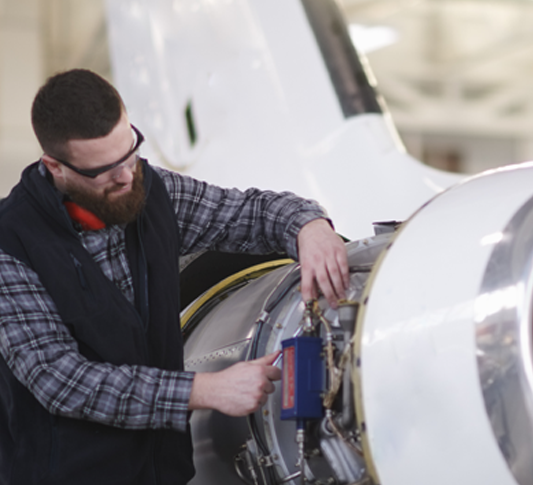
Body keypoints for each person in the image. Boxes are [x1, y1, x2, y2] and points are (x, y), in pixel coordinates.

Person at [0, 69, 349, 485]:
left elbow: (248, 213)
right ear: (55, 167)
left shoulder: (153, 192)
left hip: (162, 473)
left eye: (130, 152)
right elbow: (60, 378)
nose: (126, 176)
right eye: (105, 171)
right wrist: (204, 391)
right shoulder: (12, 243)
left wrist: (308, 225)